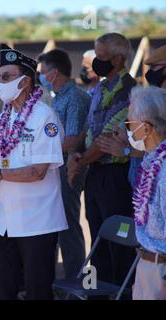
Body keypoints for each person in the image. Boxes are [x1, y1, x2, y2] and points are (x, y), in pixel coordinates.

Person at [0, 44, 67, 300]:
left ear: (24, 81)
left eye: (6, 77)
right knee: (3, 289)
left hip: (38, 222)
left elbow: (37, 172)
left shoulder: (45, 116)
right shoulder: (3, 117)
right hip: (5, 222)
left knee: (37, 291)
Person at [67, 33, 137, 290]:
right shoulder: (100, 86)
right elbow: (89, 130)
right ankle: (99, 292)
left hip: (115, 175)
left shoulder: (130, 91)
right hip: (95, 172)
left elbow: (107, 137)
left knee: (119, 242)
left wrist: (80, 161)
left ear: (118, 59)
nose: (97, 62)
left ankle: (123, 292)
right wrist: (77, 156)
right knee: (97, 237)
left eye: (102, 57)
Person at [38, 48, 89, 279]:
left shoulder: (74, 97)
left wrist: (40, 155)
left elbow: (72, 141)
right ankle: (58, 282)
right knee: (54, 226)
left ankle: (75, 284)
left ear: (54, 73)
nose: (41, 76)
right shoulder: (59, 97)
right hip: (55, 168)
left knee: (68, 227)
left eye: (43, 72)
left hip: (68, 168)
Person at [96, 44, 166, 188]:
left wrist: (127, 150)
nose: (150, 72)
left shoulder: (158, 102)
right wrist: (131, 136)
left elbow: (158, 145)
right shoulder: (154, 96)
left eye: (155, 67)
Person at [127, 86, 166, 300]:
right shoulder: (151, 160)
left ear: (147, 127)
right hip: (147, 263)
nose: (128, 129)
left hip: (161, 269)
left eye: (130, 123)